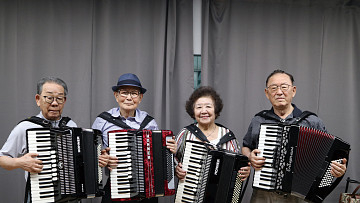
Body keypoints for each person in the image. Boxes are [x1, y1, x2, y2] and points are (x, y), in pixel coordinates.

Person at [242, 69, 348, 203]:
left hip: (300, 197)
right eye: (273, 88)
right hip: (264, 195)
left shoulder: (312, 121)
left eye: (284, 87)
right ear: (267, 93)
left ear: (293, 90)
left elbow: (330, 156)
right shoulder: (259, 120)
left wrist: (337, 169)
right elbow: (246, 147)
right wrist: (250, 157)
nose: (279, 92)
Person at [92, 73, 176, 203]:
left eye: (134, 93)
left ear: (140, 97)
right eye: (124, 92)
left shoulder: (149, 122)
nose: (129, 98)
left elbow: (159, 155)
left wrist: (170, 150)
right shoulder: (102, 120)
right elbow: (91, 154)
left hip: (147, 188)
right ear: (116, 96)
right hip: (116, 185)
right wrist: (102, 158)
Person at [0, 77, 77, 202]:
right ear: (38, 100)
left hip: (69, 197)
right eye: (49, 98)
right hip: (40, 196)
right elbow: (1, 158)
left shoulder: (71, 126)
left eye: (59, 98)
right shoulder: (25, 127)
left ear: (64, 100)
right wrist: (20, 162)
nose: (55, 103)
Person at [174, 86, 251, 197]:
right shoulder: (185, 133)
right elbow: (172, 159)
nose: (203, 111)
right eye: (199, 107)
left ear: (216, 110)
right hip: (189, 195)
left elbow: (238, 166)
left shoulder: (227, 135)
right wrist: (176, 169)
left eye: (208, 106)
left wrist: (244, 171)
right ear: (193, 111)